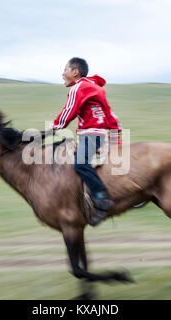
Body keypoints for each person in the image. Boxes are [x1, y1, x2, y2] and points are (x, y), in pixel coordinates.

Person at [52, 57, 122, 226]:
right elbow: (110, 115)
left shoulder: (78, 88)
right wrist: (115, 138)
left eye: (65, 70)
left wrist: (55, 126)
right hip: (95, 134)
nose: (63, 74)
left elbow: (69, 110)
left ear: (75, 72)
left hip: (91, 134)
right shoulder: (93, 88)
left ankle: (101, 198)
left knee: (80, 164)